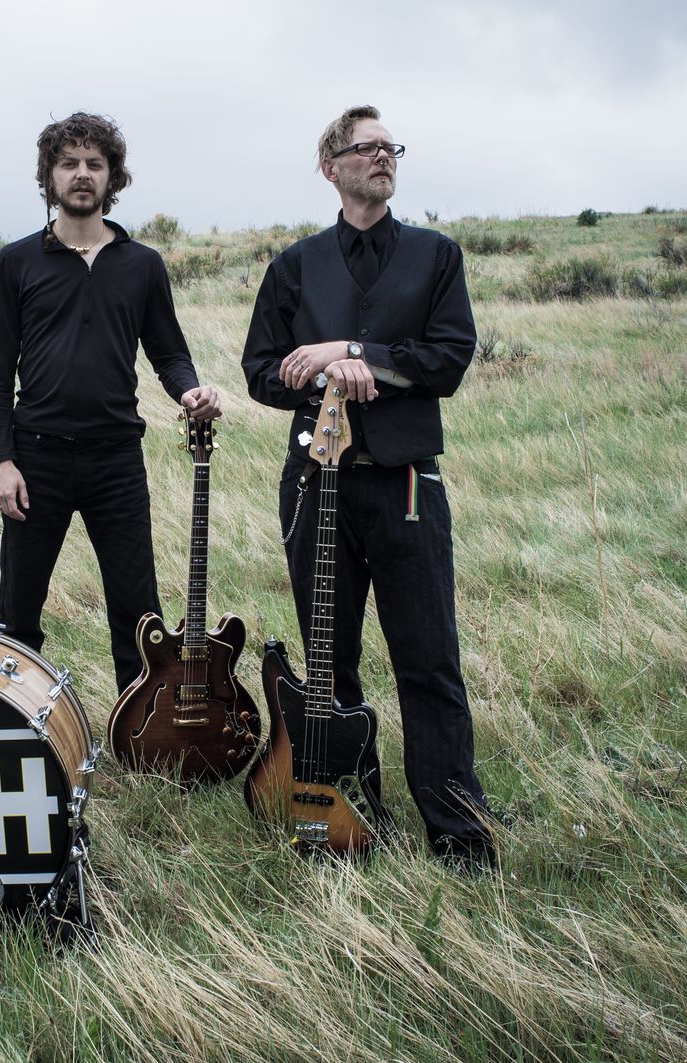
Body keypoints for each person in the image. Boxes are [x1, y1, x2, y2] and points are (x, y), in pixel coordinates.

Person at [240, 105, 495, 869]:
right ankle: (353, 816)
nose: (383, 156)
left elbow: (448, 358)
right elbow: (261, 371)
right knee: (331, 661)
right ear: (331, 167)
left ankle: (458, 831)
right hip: (315, 486)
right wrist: (322, 373)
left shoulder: (435, 256)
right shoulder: (294, 266)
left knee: (429, 660)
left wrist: (355, 351)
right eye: (365, 147)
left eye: (390, 147)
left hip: (406, 484)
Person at [0, 112, 222, 694]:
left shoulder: (142, 265)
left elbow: (169, 353)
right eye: (69, 163)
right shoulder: (16, 262)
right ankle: (19, 727)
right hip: (36, 459)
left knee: (138, 615)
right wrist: (2, 459)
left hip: (116, 460)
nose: (82, 174)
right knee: (18, 610)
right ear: (50, 176)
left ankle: (142, 729)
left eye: (94, 163)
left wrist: (189, 389)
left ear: (112, 176)